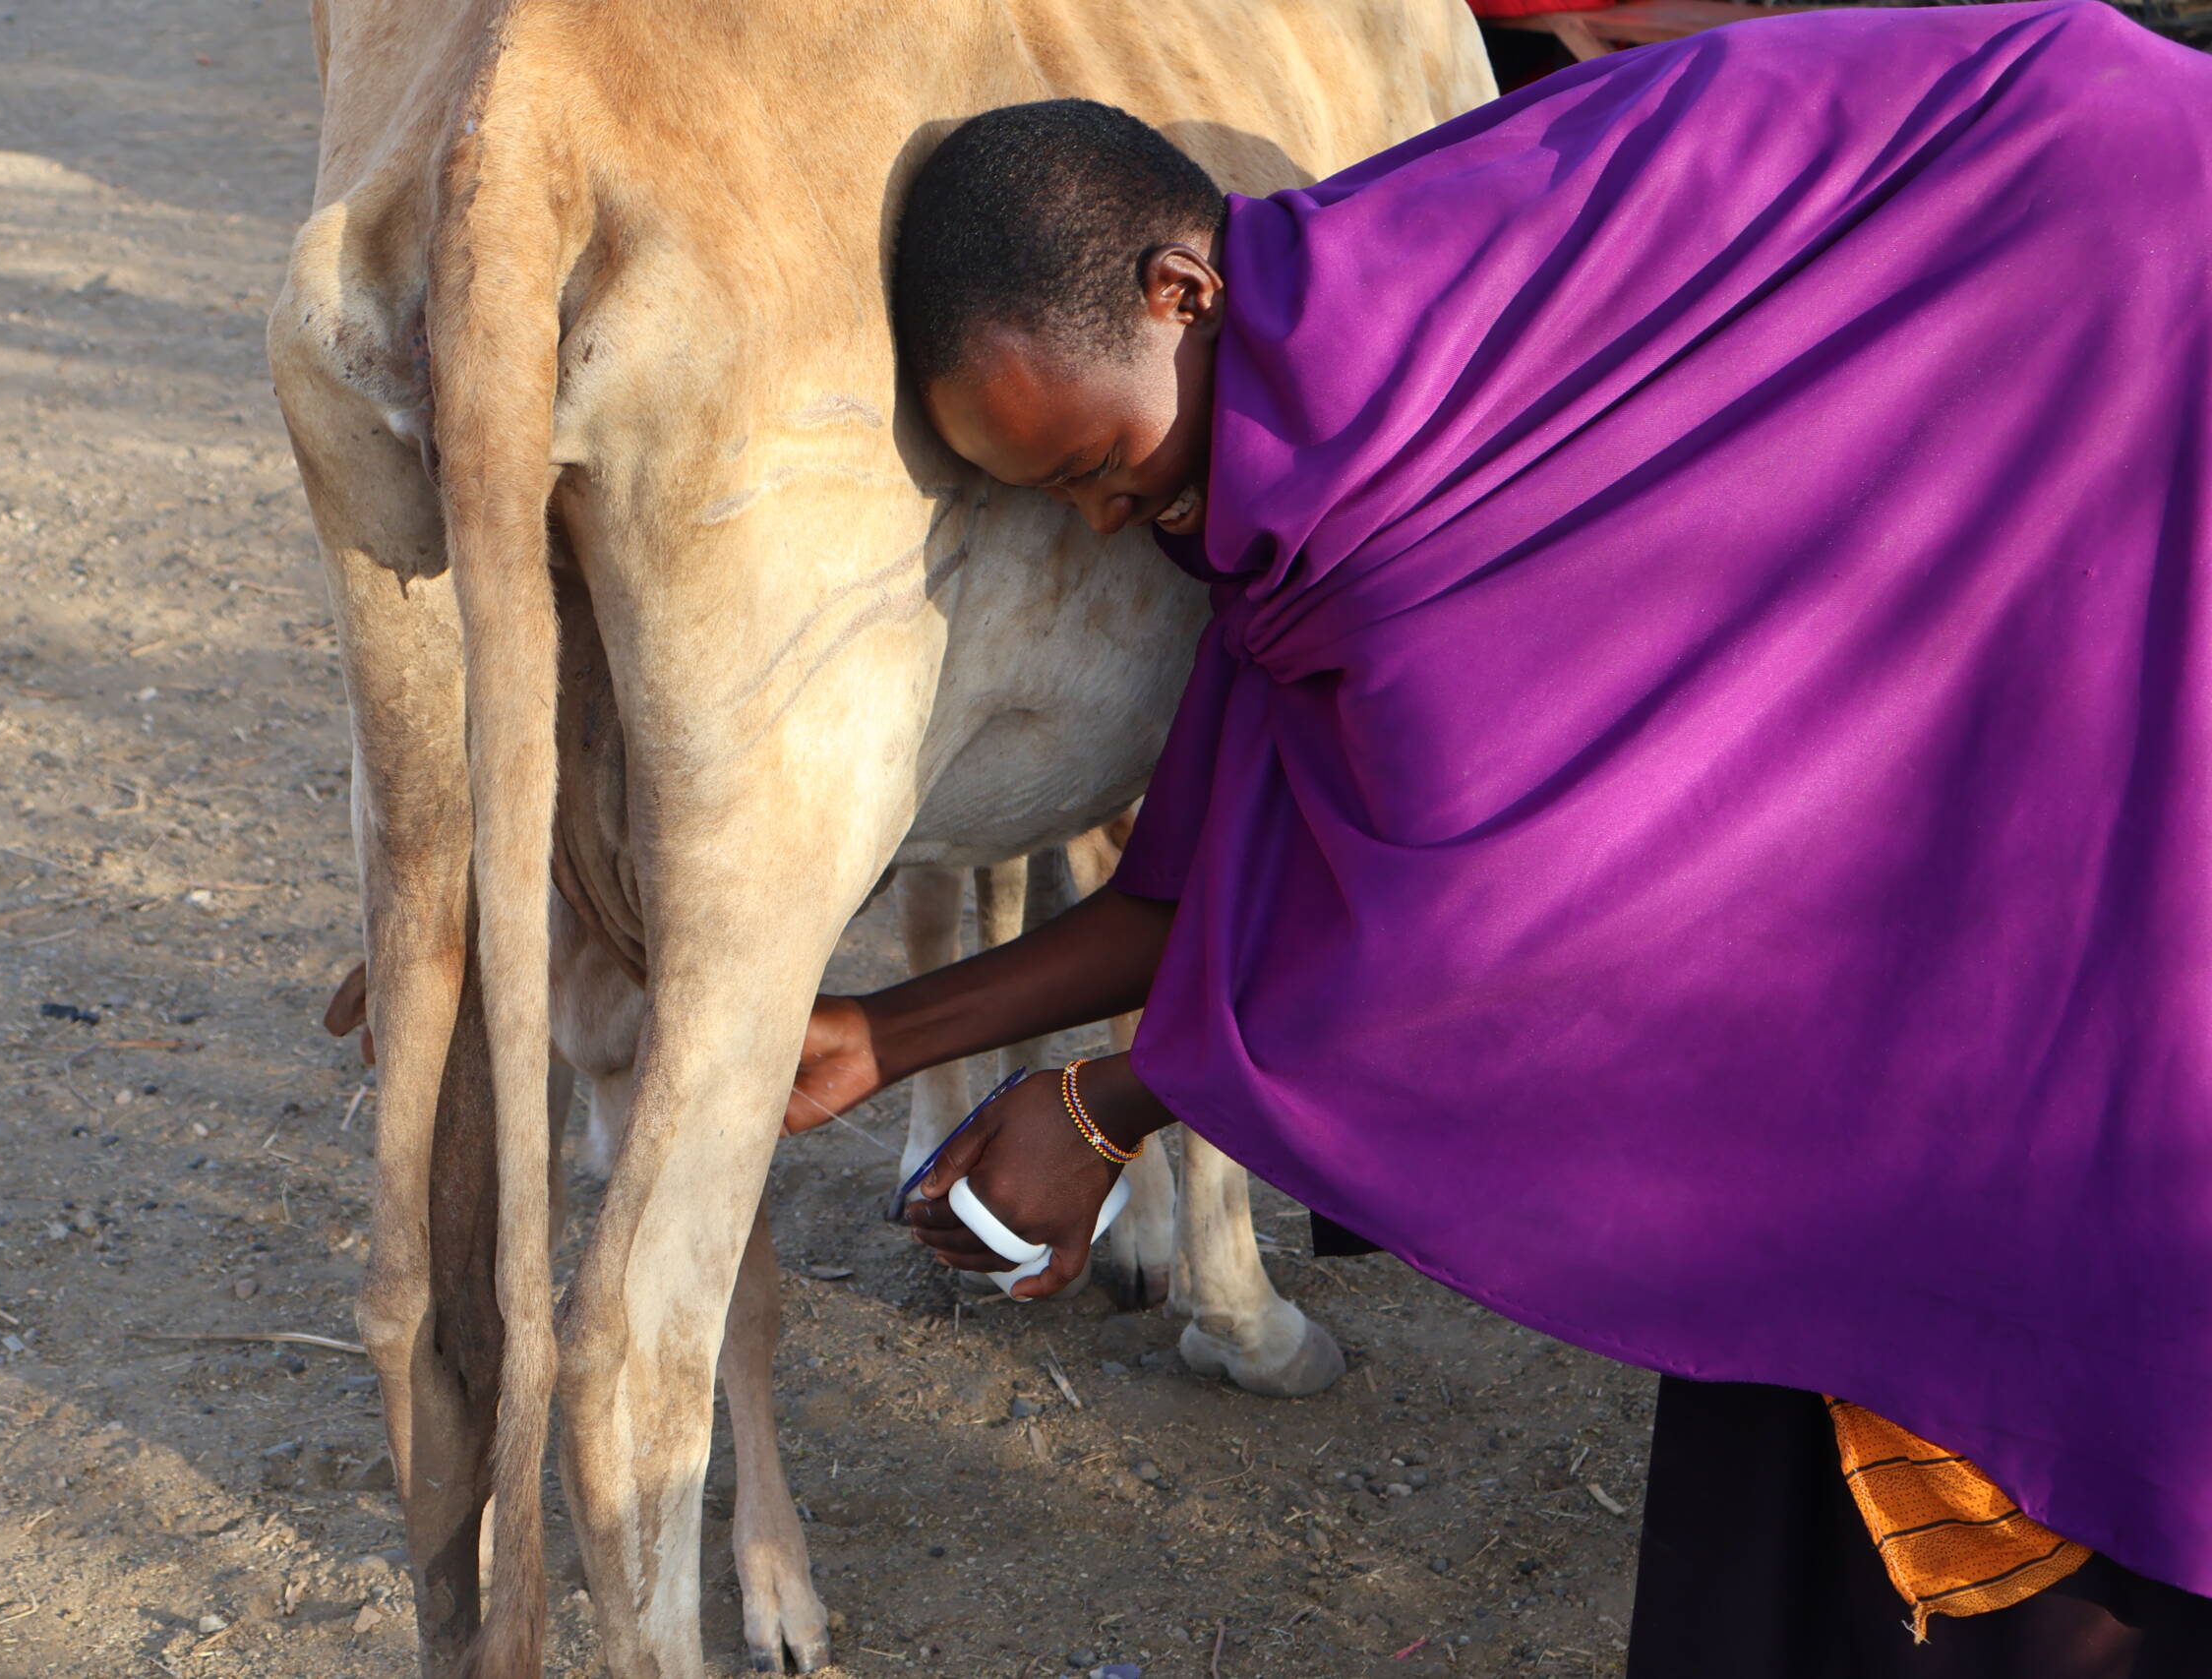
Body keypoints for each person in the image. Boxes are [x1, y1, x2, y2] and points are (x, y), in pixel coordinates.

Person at [785, 4, 2212, 1672]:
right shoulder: (1304, 388)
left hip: (2108, 276)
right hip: (2068, 172)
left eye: (1101, 467)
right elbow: (1226, 871)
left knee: (2037, 983)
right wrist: (883, 1038)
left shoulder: (1398, 499)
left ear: (1178, 290)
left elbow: (1460, 937)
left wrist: (1106, 1107)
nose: (1106, 521)